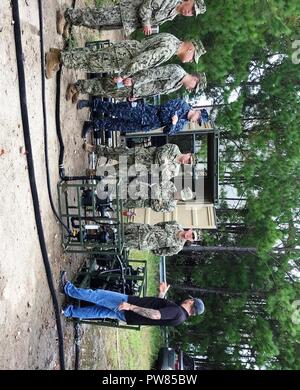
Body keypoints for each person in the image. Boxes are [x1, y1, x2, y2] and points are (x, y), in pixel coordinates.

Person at [60, 274, 205, 326]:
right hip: (129, 315)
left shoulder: (177, 312)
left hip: (130, 307)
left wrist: (131, 306)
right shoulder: (179, 317)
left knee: (98, 296)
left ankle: (68, 289)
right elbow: (159, 313)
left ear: (191, 302)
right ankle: (68, 311)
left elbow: (155, 315)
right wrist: (161, 294)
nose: (187, 299)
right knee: (98, 311)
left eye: (190, 299)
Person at [45, 33, 206, 79]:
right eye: (192, 58)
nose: (190, 61)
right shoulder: (169, 49)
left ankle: (60, 54)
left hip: (128, 49)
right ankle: (57, 59)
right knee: (91, 62)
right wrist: (123, 76)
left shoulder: (172, 38)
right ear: (190, 49)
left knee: (92, 55)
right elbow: (143, 61)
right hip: (125, 57)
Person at [56, 0, 207, 38]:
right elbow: (146, 7)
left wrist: (142, 27)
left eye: (193, 13)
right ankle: (67, 15)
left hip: (129, 22)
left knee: (97, 26)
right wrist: (146, 23)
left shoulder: (173, 15)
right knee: (96, 16)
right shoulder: (170, 1)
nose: (190, 12)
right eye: (192, 8)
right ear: (189, 0)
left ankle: (71, 22)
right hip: (126, 12)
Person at [65, 64, 206, 103]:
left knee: (105, 92)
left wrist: (138, 96)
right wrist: (134, 80)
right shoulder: (177, 72)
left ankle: (81, 90)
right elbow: (153, 74)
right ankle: (76, 86)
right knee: (105, 84)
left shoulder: (178, 84)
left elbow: (156, 90)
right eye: (194, 87)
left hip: (135, 90)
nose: (190, 89)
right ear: (194, 79)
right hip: (132, 82)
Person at [80, 99, 209, 137]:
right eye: (198, 119)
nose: (196, 121)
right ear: (197, 112)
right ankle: (90, 104)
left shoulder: (181, 124)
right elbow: (164, 109)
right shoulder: (182, 104)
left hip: (145, 125)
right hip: (143, 111)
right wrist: (171, 119)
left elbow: (167, 132)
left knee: (116, 125)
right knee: (115, 109)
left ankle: (92, 125)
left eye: (198, 122)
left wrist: (173, 124)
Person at [83, 143, 194, 181]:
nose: (187, 162)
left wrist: (163, 164)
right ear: (188, 154)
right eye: (189, 159)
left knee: (116, 172)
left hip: (142, 169)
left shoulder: (175, 170)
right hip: (140, 155)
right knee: (114, 152)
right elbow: (161, 151)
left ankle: (94, 172)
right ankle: (93, 148)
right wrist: (163, 166)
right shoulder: (174, 148)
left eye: (189, 163)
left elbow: (162, 178)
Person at [123, 221, 199, 255]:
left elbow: (161, 252)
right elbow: (161, 224)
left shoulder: (178, 247)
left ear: (191, 240)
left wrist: (150, 244)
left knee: (118, 242)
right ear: (190, 230)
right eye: (192, 234)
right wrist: (153, 229)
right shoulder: (176, 224)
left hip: (141, 241)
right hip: (142, 228)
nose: (190, 236)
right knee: (119, 227)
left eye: (192, 238)